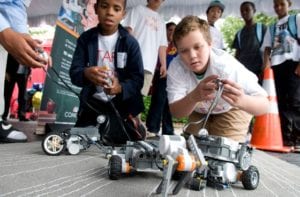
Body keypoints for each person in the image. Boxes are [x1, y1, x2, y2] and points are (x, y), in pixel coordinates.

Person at [167, 16, 269, 142]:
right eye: (184, 51)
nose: (192, 56)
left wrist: (242, 100)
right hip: (198, 107)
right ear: (177, 51)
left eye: (198, 47)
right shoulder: (176, 68)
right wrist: (194, 96)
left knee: (224, 153)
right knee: (192, 150)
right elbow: (176, 112)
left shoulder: (227, 67)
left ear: (210, 44)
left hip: (231, 108)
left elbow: (265, 105)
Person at [69, 0, 144, 143]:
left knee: (120, 141)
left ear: (123, 14)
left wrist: (120, 88)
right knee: (80, 140)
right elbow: (74, 73)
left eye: (116, 9)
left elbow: (138, 80)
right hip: (92, 103)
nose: (110, 12)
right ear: (96, 8)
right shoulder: (85, 39)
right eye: (104, 6)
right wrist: (86, 73)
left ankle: (134, 124)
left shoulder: (130, 43)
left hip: (121, 104)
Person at [0, 0, 49, 142]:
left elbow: (12, 4)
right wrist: (4, 31)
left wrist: (22, 34)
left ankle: (16, 115)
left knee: (22, 95)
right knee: (8, 93)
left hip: (22, 74)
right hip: (12, 72)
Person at [262, 0, 300, 148]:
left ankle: (297, 139)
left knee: (295, 101)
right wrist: (266, 64)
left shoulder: (296, 19)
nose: (278, 7)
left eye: (281, 4)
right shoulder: (271, 27)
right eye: (276, 5)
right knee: (280, 103)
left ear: (288, 4)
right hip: (276, 67)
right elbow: (266, 48)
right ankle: (285, 138)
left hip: (293, 64)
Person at [122, 0, 168, 96]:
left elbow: (162, 45)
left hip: (150, 66)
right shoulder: (138, 10)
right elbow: (127, 32)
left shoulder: (161, 21)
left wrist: (163, 64)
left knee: (139, 97)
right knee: (126, 93)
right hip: (133, 62)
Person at [146, 22, 176, 136]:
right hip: (160, 75)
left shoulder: (177, 45)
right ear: (165, 31)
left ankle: (168, 131)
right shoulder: (160, 44)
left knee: (169, 104)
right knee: (158, 101)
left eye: (174, 30)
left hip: (173, 78)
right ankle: (152, 129)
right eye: (170, 30)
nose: (172, 32)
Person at [232, 1, 267, 80]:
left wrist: (265, 66)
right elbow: (237, 54)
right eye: (242, 11)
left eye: (247, 10)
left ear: (254, 11)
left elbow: (267, 49)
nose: (244, 12)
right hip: (243, 72)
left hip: (259, 71)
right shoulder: (239, 33)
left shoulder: (262, 28)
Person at [3, 54, 31, 122]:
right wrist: (6, 72)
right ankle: (5, 114)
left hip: (23, 74)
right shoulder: (16, 46)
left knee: (23, 95)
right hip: (11, 73)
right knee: (7, 94)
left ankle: (21, 115)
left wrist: (29, 73)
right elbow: (8, 58)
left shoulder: (29, 48)